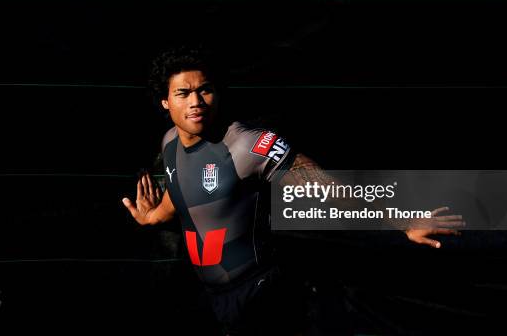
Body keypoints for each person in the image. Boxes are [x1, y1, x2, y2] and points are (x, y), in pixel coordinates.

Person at [121, 46, 464, 335]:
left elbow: (327, 189)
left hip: (262, 293)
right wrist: (154, 216)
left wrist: (402, 222)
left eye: (205, 90)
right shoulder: (169, 144)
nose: (196, 101)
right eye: (183, 93)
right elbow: (184, 195)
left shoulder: (249, 145)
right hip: (211, 296)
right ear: (165, 102)